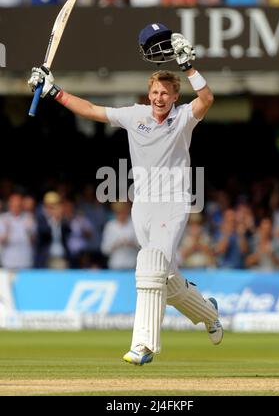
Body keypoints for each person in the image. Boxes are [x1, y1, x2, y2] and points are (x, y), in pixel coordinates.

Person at [28, 23, 223, 365]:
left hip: (174, 204)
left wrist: (189, 67)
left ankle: (144, 346)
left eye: (166, 94)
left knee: (149, 265)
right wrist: (52, 90)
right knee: (168, 279)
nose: (160, 98)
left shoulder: (183, 119)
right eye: (155, 93)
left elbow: (207, 99)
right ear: (149, 94)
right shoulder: (135, 116)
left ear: (175, 97)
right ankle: (208, 314)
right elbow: (89, 109)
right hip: (142, 206)